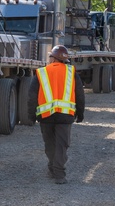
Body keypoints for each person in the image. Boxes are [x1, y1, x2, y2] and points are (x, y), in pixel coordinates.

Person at [33, 44, 85, 184]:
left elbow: (31, 96)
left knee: (50, 143)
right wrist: (80, 113)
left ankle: (52, 167)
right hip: (65, 115)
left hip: (46, 116)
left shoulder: (41, 72)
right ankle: (59, 174)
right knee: (61, 145)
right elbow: (79, 94)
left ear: (52, 58)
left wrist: (31, 115)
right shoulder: (71, 72)